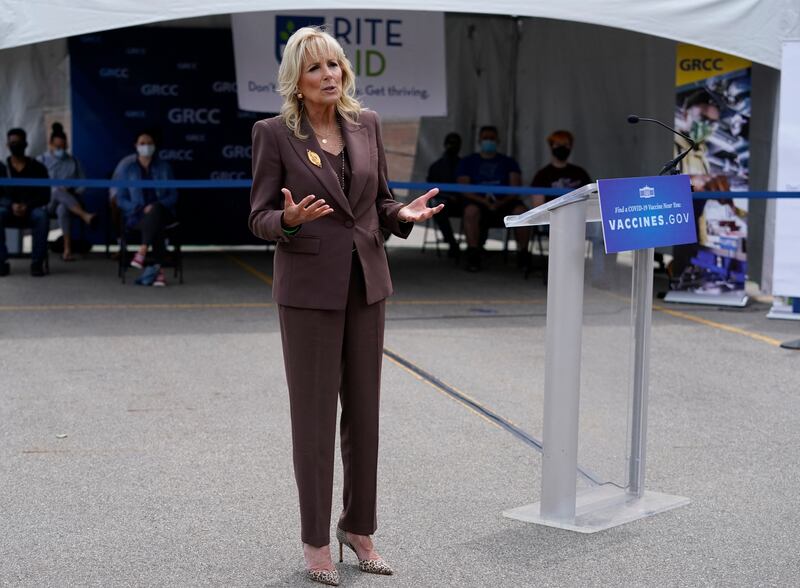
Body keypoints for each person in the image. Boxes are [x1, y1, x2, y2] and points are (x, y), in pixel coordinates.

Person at [248, 26, 442, 586]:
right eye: (316, 68)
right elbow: (258, 216)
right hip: (309, 291)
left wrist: (400, 215)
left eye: (335, 65)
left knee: (365, 416)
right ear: (296, 79)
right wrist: (287, 219)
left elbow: (377, 202)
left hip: (366, 283)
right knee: (313, 423)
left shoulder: (368, 124)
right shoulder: (274, 133)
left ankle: (359, 529)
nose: (329, 75)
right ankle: (315, 543)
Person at [530, 130, 614, 285]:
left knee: (601, 229)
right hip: (556, 221)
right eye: (558, 145)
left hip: (581, 219)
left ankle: (598, 275)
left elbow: (592, 199)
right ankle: (560, 276)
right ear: (551, 147)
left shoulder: (579, 173)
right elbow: (538, 208)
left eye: (566, 145)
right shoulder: (542, 175)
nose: (562, 148)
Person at [111, 130, 177, 287]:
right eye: (142, 143)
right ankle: (158, 272)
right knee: (157, 224)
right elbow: (120, 199)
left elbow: (174, 195)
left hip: (162, 212)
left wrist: (155, 206)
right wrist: (140, 208)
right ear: (136, 146)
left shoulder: (164, 167)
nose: (146, 146)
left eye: (149, 143)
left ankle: (142, 251)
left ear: (154, 146)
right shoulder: (128, 170)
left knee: (157, 211)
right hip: (137, 216)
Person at [456, 125, 527, 272]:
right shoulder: (468, 161)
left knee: (522, 212)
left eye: (492, 138)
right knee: (470, 212)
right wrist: (484, 202)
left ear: (498, 141)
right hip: (478, 202)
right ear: (479, 140)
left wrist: (500, 202)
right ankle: (473, 254)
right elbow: (463, 188)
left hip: (504, 203)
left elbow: (515, 187)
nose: (489, 141)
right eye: (485, 138)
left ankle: (523, 254)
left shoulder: (508, 162)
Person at [37, 122, 95, 261]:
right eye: (58, 147)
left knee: (63, 209)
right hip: (47, 202)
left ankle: (67, 249)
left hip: (70, 203)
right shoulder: (41, 161)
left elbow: (83, 184)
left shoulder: (73, 161)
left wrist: (72, 189)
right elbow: (36, 186)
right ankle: (85, 215)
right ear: (50, 145)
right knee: (56, 190)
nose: (61, 149)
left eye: (63, 147)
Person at [0, 128, 51, 277]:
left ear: (26, 144)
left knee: (42, 216)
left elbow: (45, 195)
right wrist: (11, 205)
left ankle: (37, 263)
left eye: (19, 142)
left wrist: (27, 205)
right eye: (12, 143)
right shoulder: (1, 168)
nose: (15, 145)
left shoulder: (37, 168)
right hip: (8, 209)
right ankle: (1, 262)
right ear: (7, 145)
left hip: (31, 209)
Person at [426, 132, 462, 258]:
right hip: (444, 202)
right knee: (438, 210)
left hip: (462, 202)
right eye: (450, 143)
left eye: (456, 144)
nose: (453, 146)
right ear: (445, 144)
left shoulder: (463, 165)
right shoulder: (436, 166)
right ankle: (452, 244)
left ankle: (476, 247)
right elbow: (430, 189)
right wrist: (447, 196)